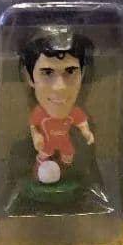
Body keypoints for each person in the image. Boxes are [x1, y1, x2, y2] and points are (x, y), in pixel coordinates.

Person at [20, 26, 95, 184]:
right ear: (29, 77)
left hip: (65, 143)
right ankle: (40, 174)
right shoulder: (39, 113)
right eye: (47, 73)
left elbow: (81, 123)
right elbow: (33, 126)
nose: (60, 87)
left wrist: (87, 132)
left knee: (68, 156)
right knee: (43, 155)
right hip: (47, 144)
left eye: (70, 71)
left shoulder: (73, 112)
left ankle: (66, 174)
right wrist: (37, 136)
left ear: (83, 74)